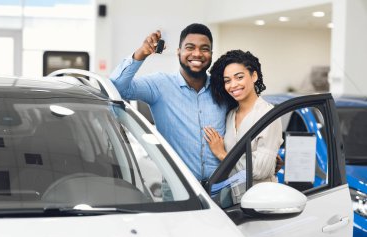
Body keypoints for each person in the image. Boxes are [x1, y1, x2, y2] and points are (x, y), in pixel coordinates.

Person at [110, 23, 226, 183]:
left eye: (204, 49)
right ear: (179, 52)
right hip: (180, 190)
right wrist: (141, 53)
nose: (197, 54)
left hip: (222, 187)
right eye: (190, 47)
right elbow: (116, 87)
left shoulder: (222, 87)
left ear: (211, 54)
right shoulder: (160, 85)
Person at [203, 50, 283, 204]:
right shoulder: (230, 115)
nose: (233, 85)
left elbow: (261, 170)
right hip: (236, 201)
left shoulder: (267, 114)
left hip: (263, 202)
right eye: (227, 80)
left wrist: (223, 155)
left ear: (254, 76)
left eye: (239, 77)